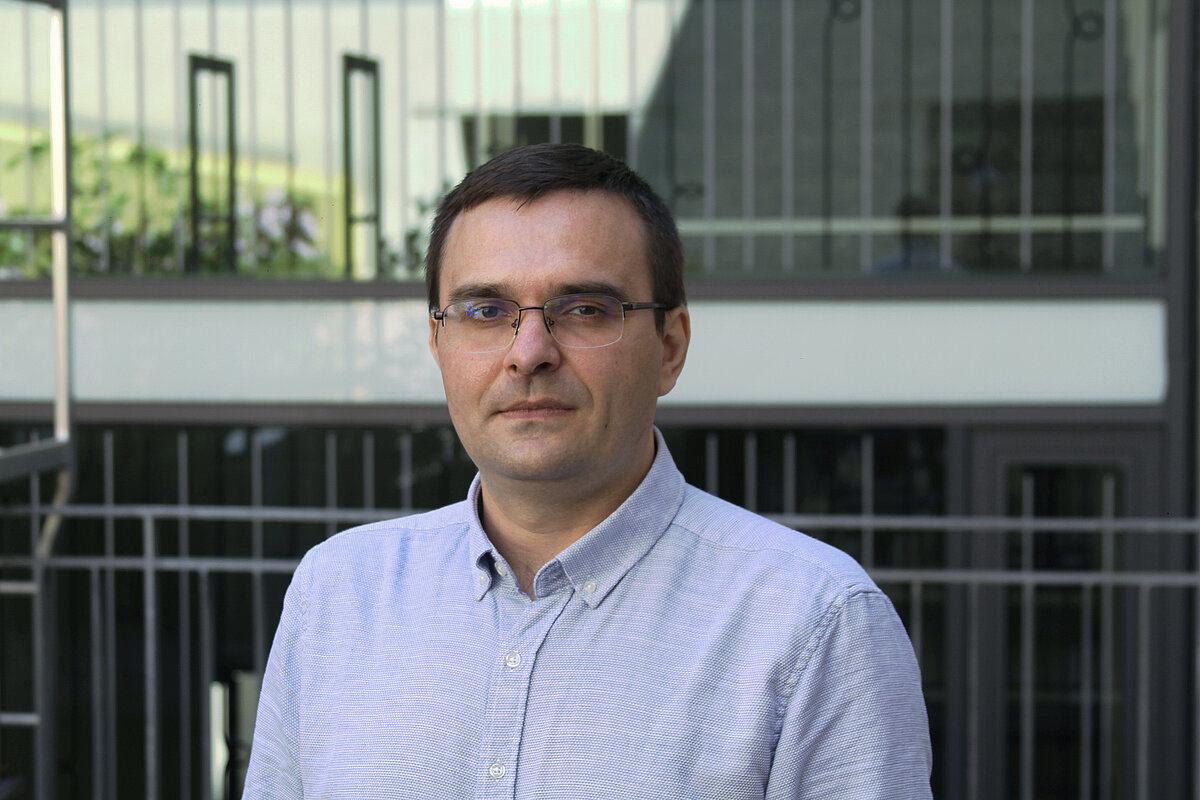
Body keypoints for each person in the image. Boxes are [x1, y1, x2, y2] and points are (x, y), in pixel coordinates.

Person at [242, 143, 932, 799]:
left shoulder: (814, 621)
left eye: (584, 310)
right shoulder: (337, 593)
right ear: (438, 342)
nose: (529, 352)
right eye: (485, 311)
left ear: (670, 348)